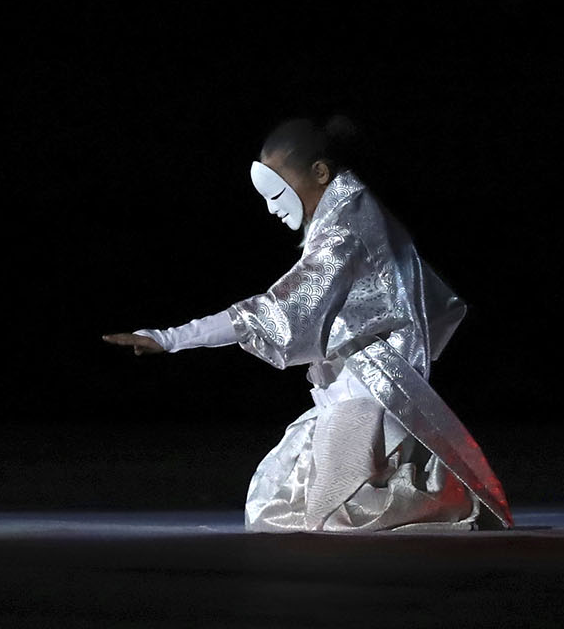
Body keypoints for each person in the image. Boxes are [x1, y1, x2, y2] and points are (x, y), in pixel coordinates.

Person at [103, 116, 511, 533]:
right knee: (274, 500)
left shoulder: (345, 228)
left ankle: (433, 502)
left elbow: (275, 312)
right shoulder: (349, 208)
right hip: (356, 382)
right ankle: (423, 488)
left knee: (329, 514)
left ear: (320, 173)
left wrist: (170, 338)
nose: (272, 207)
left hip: (371, 387)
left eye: (278, 191)